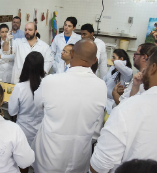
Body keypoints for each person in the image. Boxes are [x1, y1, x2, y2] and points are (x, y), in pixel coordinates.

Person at [31, 39, 107, 173]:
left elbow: (38, 106)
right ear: (95, 60)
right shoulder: (101, 86)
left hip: (50, 156)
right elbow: (96, 130)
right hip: (80, 157)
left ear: (71, 55)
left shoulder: (51, 82)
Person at [90, 49, 157, 173]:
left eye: (146, 66)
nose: (144, 71)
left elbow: (100, 165)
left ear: (153, 68)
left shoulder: (129, 107)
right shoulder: (113, 71)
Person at [9, 51, 45, 146]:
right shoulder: (47, 84)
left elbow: (12, 112)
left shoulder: (20, 87)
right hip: (41, 130)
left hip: (23, 130)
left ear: (25, 66)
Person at [103, 49, 133, 116]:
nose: (112, 60)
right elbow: (104, 80)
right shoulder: (112, 68)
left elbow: (117, 63)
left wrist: (123, 61)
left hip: (112, 104)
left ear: (121, 59)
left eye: (114, 57)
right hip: (104, 101)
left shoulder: (128, 72)